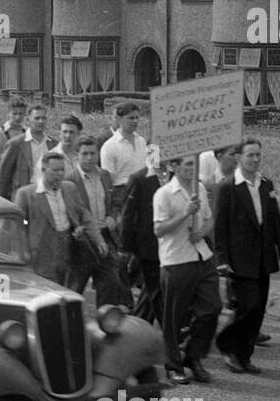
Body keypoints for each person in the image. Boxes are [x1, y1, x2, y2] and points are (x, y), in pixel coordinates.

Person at [212, 138, 280, 374]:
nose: (255, 160)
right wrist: (222, 259)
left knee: (257, 310)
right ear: (238, 158)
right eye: (250, 155)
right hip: (238, 258)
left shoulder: (266, 184)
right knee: (247, 306)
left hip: (263, 257)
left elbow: (275, 220)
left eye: (258, 155)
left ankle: (244, 355)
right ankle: (228, 345)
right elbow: (219, 227)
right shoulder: (227, 187)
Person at [153, 154, 219, 385]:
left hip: (202, 256)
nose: (192, 168)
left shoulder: (199, 188)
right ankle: (173, 365)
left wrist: (202, 232)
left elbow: (210, 219)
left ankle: (194, 355)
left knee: (212, 308)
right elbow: (159, 230)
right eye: (188, 164)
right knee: (174, 317)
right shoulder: (163, 194)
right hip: (176, 261)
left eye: (194, 164)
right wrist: (185, 214)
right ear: (174, 166)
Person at [14, 151, 105, 285]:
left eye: (62, 170)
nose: (60, 174)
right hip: (41, 252)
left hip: (67, 250)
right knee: (46, 290)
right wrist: (20, 254)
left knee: (66, 289)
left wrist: (99, 239)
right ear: (44, 170)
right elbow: (18, 227)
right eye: (55, 170)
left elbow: (84, 215)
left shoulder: (69, 188)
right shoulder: (26, 194)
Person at [66, 135, 128, 305]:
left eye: (93, 153)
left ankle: (106, 320)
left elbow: (115, 202)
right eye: (84, 154)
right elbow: (69, 212)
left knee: (111, 281)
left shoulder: (105, 175)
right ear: (76, 155)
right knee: (74, 288)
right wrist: (77, 229)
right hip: (82, 242)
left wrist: (112, 216)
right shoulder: (70, 181)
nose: (89, 158)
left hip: (105, 237)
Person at [120, 158, 168, 325]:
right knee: (157, 290)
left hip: (170, 244)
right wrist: (126, 248)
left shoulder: (173, 174)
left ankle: (140, 323)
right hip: (149, 246)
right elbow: (128, 214)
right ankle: (170, 334)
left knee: (153, 290)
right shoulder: (139, 179)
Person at [0, 104, 56, 200]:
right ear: (28, 120)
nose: (41, 121)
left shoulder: (53, 144)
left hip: (48, 196)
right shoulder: (16, 144)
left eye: (43, 118)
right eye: (37, 118)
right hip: (24, 196)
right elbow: (3, 176)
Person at [100, 101, 149, 211]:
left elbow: (150, 168)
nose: (135, 121)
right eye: (131, 118)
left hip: (143, 194)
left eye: (137, 118)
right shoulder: (109, 146)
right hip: (122, 195)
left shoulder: (142, 142)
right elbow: (108, 181)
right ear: (119, 119)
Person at [0, 98, 27, 188]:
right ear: (8, 114)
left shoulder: (27, 133)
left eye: (21, 114)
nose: (18, 117)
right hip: (1, 179)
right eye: (14, 114)